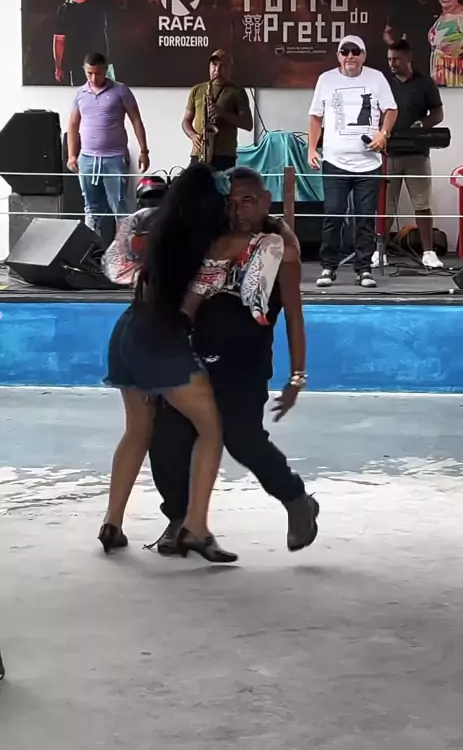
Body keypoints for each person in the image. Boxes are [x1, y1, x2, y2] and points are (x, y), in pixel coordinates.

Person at [148, 167, 318, 556]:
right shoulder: (207, 240)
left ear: (265, 201)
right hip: (192, 358)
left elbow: (294, 316)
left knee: (243, 439)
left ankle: (296, 500)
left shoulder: (280, 249)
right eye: (231, 202)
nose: (239, 210)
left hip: (245, 363)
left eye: (248, 201)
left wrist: (297, 377)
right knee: (168, 438)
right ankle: (179, 519)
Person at [100, 163, 238, 563]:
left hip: (126, 331)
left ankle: (112, 523)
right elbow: (200, 294)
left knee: (136, 431)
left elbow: (115, 267)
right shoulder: (214, 241)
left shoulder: (150, 227)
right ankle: (196, 527)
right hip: (160, 339)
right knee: (211, 428)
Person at [308, 35, 398, 290]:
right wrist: (311, 148)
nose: (350, 56)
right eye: (345, 51)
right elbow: (315, 116)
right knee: (333, 214)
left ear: (364, 55)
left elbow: (391, 109)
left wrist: (383, 134)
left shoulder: (376, 78)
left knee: (365, 218)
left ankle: (364, 268)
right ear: (338, 56)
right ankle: (329, 266)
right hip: (334, 160)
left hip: (368, 163)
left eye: (355, 51)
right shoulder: (326, 80)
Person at [376, 40, 444, 270]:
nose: (392, 64)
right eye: (389, 59)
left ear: (408, 58)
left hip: (417, 155)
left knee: (422, 204)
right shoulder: (384, 85)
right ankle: (379, 252)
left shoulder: (425, 83)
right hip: (389, 154)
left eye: (396, 59)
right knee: (385, 207)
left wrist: (422, 124)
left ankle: (428, 253)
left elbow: (438, 113)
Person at [67, 52, 149, 235]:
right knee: (91, 208)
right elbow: (72, 124)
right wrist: (72, 155)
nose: (93, 78)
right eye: (89, 73)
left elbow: (136, 120)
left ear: (105, 70)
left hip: (115, 158)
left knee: (120, 206)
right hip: (87, 158)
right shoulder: (80, 93)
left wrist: (144, 151)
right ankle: (92, 249)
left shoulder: (121, 90)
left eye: (97, 73)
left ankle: (125, 249)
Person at [181, 49, 253, 171]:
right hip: (199, 153)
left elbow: (248, 124)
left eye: (222, 66)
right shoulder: (197, 90)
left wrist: (223, 113)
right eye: (214, 65)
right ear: (209, 67)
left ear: (230, 69)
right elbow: (186, 121)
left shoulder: (238, 92)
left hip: (224, 156)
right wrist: (193, 135)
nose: (217, 70)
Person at [383, 0, 440, 78]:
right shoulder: (402, 0)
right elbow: (388, 33)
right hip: (411, 64)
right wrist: (399, 49)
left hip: (440, 64)